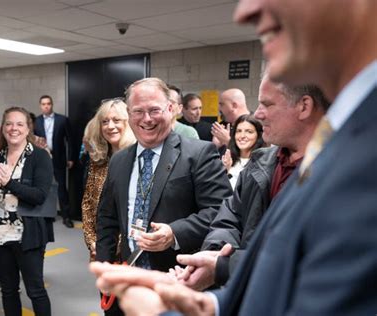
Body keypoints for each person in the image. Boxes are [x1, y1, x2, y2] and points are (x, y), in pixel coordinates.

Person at [91, 0, 377, 314]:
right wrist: (212, 300)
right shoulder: (330, 140)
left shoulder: (359, 150)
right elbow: (272, 255)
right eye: (138, 112)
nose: (245, 12)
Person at [175, 78, 328, 290]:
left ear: (304, 106)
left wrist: (225, 266)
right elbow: (230, 217)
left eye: (267, 104)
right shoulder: (261, 162)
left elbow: (310, 258)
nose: (258, 114)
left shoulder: (337, 174)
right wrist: (217, 252)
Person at [95, 77, 232, 272]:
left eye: (154, 110)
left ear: (170, 109)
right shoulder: (119, 160)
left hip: (179, 277)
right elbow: (107, 218)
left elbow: (220, 211)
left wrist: (174, 232)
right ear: (129, 114)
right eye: (138, 111)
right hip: (130, 274)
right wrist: (104, 266)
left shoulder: (199, 154)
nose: (147, 118)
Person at [0, 106, 54, 316]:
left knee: (35, 290)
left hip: (29, 237)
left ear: (27, 128)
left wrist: (8, 183)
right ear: (3, 128)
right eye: (9, 123)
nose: (14, 128)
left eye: (20, 124)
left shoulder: (39, 157)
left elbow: (39, 196)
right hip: (0, 237)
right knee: (9, 290)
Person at [82, 98, 136, 262]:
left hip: (132, 250)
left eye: (116, 120)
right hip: (102, 250)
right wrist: (92, 241)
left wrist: (115, 244)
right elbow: (88, 204)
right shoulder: (97, 161)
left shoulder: (138, 159)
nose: (110, 126)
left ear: (128, 123)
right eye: (105, 121)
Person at [34, 95, 75, 228]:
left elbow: (71, 140)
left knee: (61, 188)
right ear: (40, 106)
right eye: (43, 104)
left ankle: (66, 216)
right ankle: (48, 215)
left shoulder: (62, 120)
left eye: (48, 104)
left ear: (52, 105)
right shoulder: (36, 121)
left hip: (59, 159)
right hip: (42, 159)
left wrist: (70, 158)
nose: (46, 106)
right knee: (45, 188)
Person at [220, 114, 264, 188]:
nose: (242, 136)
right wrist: (223, 171)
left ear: (258, 135)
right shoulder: (226, 160)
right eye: (239, 131)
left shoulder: (263, 163)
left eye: (249, 132)